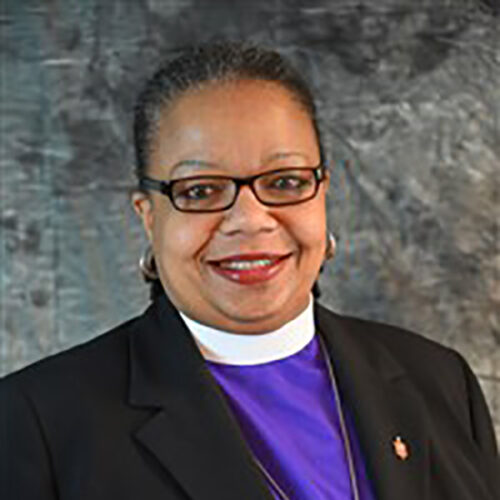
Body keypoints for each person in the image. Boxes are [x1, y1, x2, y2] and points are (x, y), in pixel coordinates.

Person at [0, 41, 498, 500]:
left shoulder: (440, 379)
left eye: (284, 181)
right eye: (199, 191)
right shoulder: (35, 421)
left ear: (322, 193)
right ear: (149, 217)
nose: (250, 221)